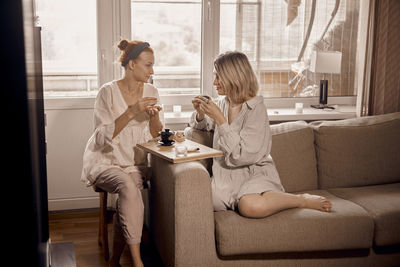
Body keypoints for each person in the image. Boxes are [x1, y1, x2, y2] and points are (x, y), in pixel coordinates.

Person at [189, 51, 332, 218]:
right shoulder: (222, 103)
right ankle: (244, 198)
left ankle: (301, 200)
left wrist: (220, 119)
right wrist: (200, 114)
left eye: (218, 77)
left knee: (250, 206)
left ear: (233, 77)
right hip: (225, 175)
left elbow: (241, 156)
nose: (214, 82)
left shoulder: (256, 109)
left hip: (253, 172)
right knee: (199, 199)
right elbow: (201, 127)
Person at [81, 40, 163, 267]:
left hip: (135, 163)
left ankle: (115, 260)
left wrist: (154, 116)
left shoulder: (153, 91)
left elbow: (156, 134)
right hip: (105, 161)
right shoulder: (107, 92)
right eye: (148, 65)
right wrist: (131, 112)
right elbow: (100, 138)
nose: (152, 71)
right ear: (131, 64)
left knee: (129, 197)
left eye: (153, 65)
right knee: (128, 188)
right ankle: (137, 262)